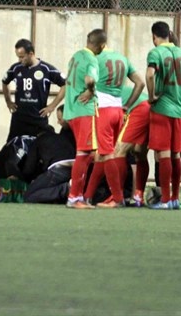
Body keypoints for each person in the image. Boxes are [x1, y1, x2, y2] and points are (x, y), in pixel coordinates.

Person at [83, 44, 145, 208]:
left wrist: (89, 90)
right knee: (112, 154)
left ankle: (117, 198)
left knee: (111, 153)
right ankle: (88, 196)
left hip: (106, 110)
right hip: (120, 110)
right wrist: (127, 105)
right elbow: (140, 83)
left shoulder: (95, 59)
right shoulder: (122, 59)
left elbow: (89, 79)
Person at [146, 21, 181, 209]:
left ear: (154, 36)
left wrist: (151, 97)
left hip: (162, 109)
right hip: (180, 110)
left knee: (163, 154)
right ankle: (174, 198)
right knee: (176, 154)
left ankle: (165, 200)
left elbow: (150, 75)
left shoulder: (155, 53)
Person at [64, 29, 107, 209]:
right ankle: (74, 198)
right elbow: (90, 79)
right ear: (102, 46)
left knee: (84, 153)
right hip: (84, 111)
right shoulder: (92, 59)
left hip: (72, 110)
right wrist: (91, 90)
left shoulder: (75, 56)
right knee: (84, 154)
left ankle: (76, 195)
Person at [1, 39, 66, 141]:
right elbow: (5, 82)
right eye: (18, 57)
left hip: (38, 119)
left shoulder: (46, 69)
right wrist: (8, 101)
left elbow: (65, 84)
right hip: (19, 119)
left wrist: (52, 106)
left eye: (22, 57)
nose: (19, 60)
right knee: (12, 147)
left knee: (39, 148)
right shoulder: (15, 68)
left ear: (31, 54)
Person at [114, 85, 151, 207]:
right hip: (149, 107)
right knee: (139, 152)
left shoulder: (97, 91)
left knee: (119, 150)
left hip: (138, 109)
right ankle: (138, 196)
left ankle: (117, 197)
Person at [21, 123, 77, 204]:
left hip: (58, 169)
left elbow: (29, 168)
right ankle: (67, 188)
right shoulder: (63, 137)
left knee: (28, 196)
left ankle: (65, 189)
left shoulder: (38, 140)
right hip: (75, 167)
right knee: (50, 188)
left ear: (38, 134)